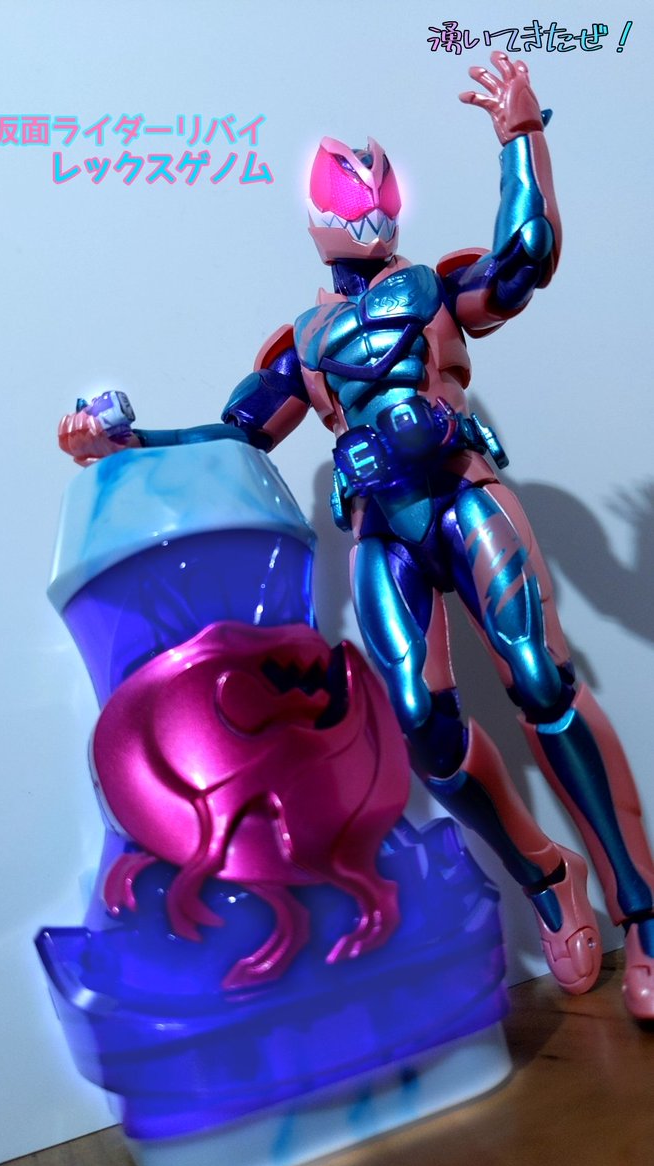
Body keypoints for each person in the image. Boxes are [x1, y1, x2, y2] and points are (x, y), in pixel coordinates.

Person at [59, 53, 654, 1019]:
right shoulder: (302, 343)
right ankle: (547, 876)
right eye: (346, 196)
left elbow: (523, 262)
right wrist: (126, 442)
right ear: (315, 215)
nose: (365, 210)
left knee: (540, 681)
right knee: (422, 727)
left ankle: (645, 907)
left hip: (462, 495)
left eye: (374, 192)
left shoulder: (433, 291)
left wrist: (518, 135)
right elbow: (237, 434)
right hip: (385, 528)